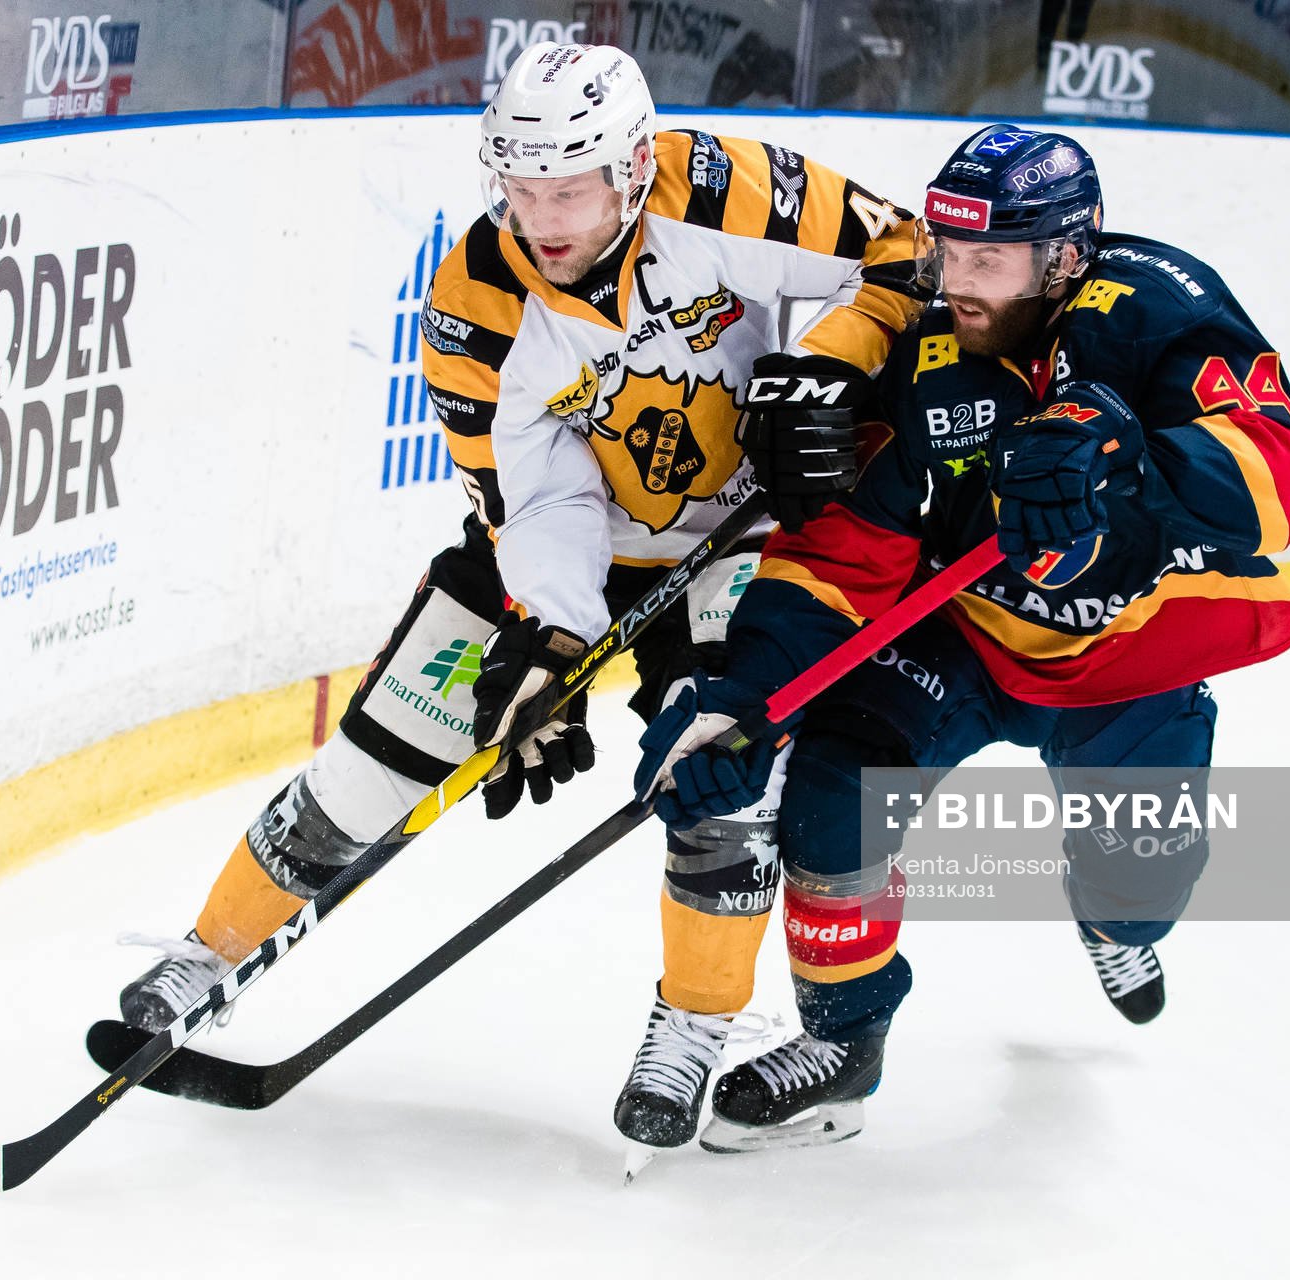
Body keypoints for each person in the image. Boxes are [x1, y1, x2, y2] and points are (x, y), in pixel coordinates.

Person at [115, 42, 927, 1152]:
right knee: (385, 749)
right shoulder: (475, 303)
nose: (540, 214)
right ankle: (207, 953)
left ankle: (691, 1027)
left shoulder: (730, 190)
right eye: (521, 185)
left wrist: (826, 369)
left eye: (569, 186)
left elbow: (902, 258)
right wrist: (558, 636)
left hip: (741, 540)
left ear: (635, 165)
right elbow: (534, 499)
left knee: (718, 782)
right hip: (563, 545)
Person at [635, 124, 1290, 1151]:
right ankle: (846, 1042)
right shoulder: (933, 350)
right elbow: (840, 555)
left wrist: (1120, 459)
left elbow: (1275, 481)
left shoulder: (1161, 309)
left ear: (1067, 257)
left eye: (988, 260)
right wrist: (745, 699)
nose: (956, 280)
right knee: (832, 789)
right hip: (962, 638)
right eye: (950, 253)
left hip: (1128, 659)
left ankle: (1113, 917)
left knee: (1142, 892)